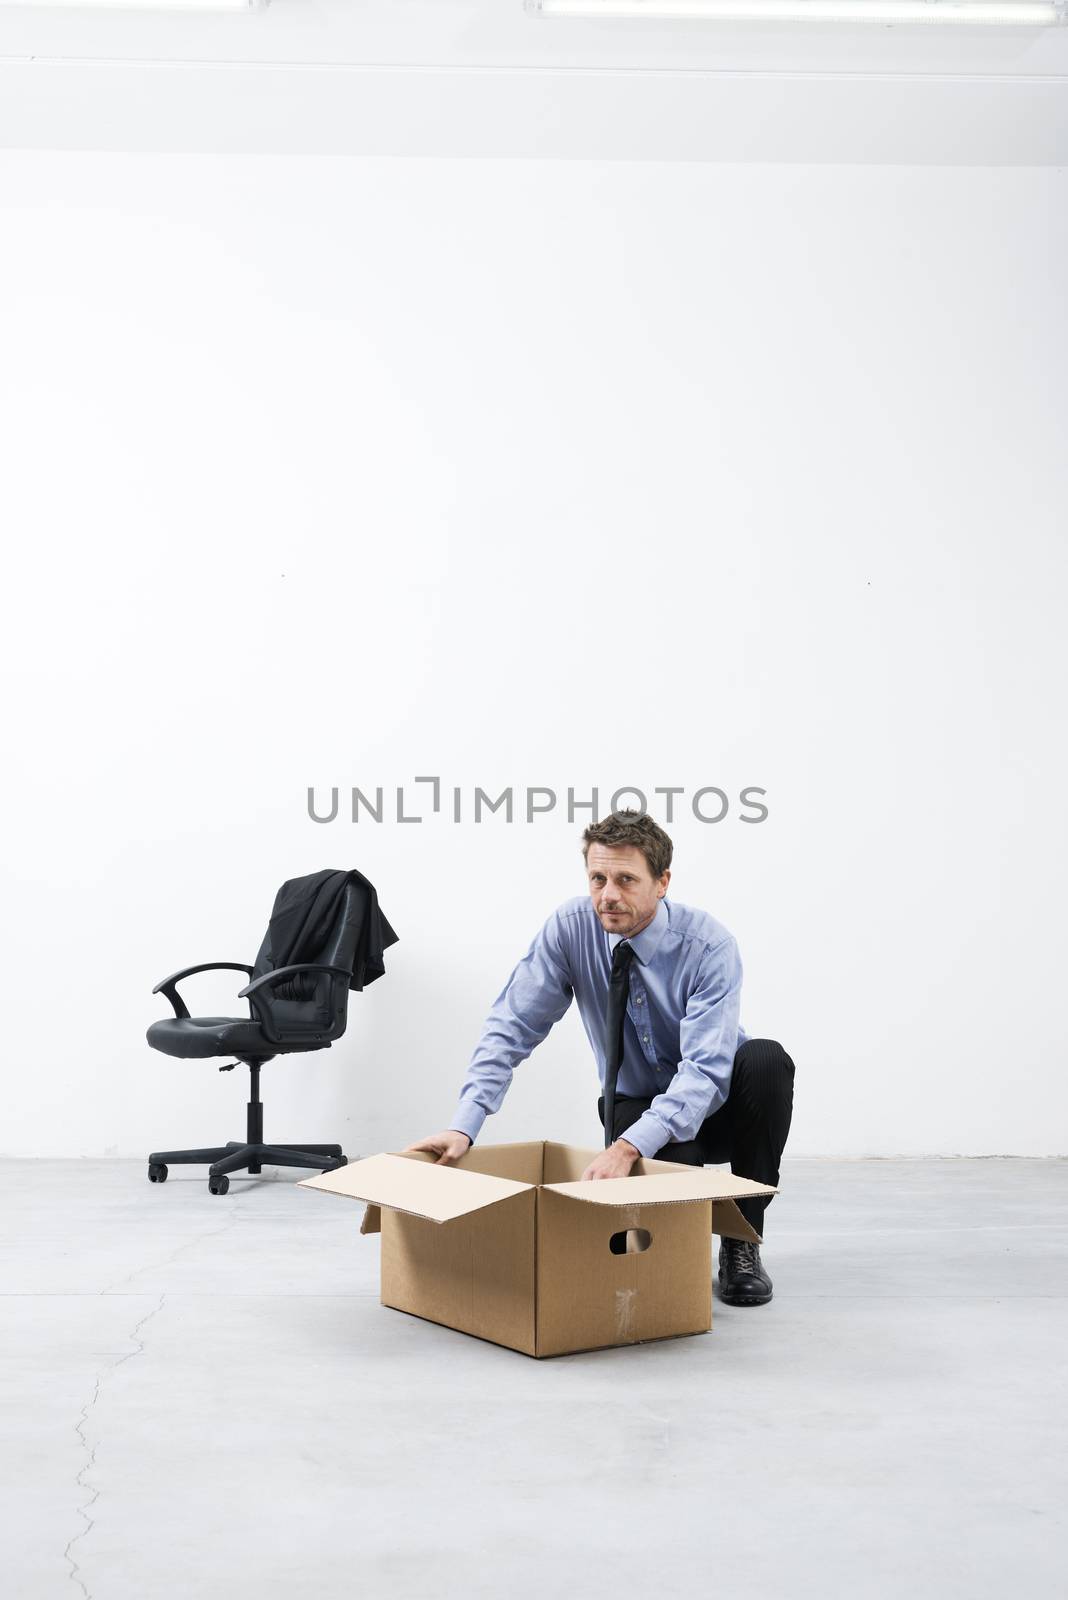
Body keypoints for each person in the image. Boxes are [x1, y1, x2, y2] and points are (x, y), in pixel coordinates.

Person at [405, 809, 795, 1307]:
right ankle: (669, 1241)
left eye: (626, 880)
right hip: (632, 1102)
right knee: (666, 1221)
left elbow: (706, 1071)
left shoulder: (708, 945)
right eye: (598, 878)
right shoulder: (570, 929)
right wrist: (465, 1124)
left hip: (718, 1106)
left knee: (766, 1061)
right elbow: (511, 1026)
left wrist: (629, 1147)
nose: (607, 895)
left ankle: (743, 1240)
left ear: (662, 883)